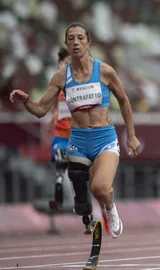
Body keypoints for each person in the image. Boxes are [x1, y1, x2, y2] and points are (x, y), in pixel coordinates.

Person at [10, 22, 141, 238]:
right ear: (66, 44)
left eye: (80, 38)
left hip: (104, 138)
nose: (76, 42)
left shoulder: (105, 71)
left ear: (89, 42)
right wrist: (26, 101)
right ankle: (88, 214)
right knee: (81, 203)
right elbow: (41, 109)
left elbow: (124, 101)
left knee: (99, 187)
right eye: (71, 38)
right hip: (78, 141)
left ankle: (110, 208)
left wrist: (132, 135)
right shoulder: (61, 76)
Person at [48, 47, 72, 210]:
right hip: (61, 137)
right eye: (65, 63)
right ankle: (60, 199)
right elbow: (50, 107)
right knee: (60, 166)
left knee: (80, 173)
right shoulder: (55, 86)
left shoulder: (81, 85)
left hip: (79, 137)